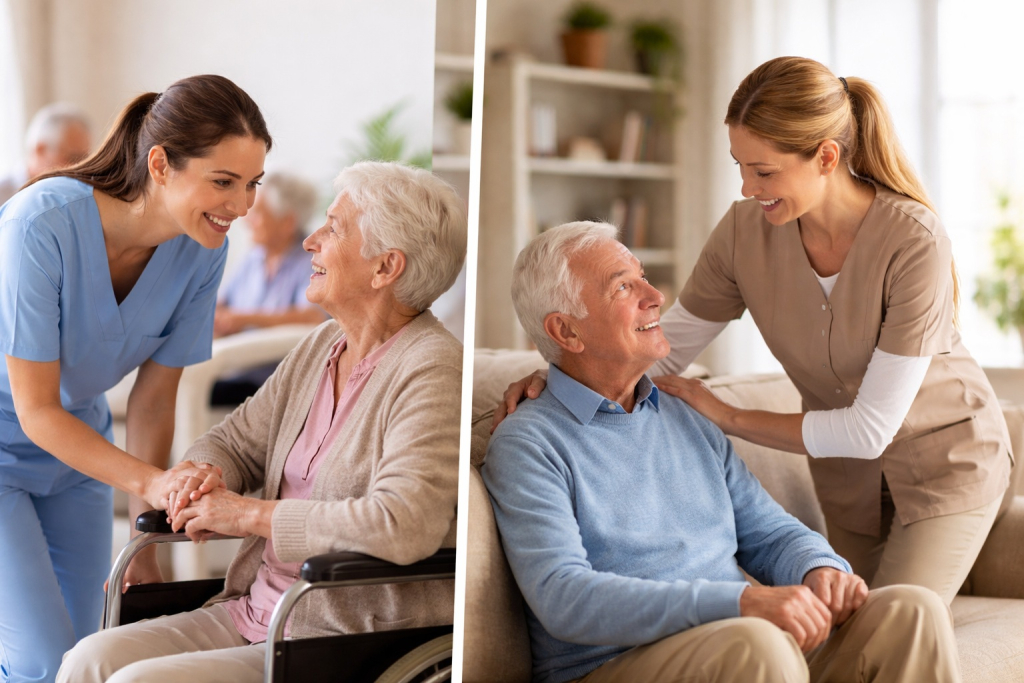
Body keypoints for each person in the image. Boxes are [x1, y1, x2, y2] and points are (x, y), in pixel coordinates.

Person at [494, 56, 1012, 606]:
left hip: (946, 462)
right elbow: (660, 349)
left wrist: (729, 416)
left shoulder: (913, 241)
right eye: (740, 165)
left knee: (896, 619)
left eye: (763, 171)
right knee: (846, 625)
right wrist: (556, 372)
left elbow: (868, 429)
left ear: (826, 158)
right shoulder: (745, 234)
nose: (746, 188)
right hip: (848, 484)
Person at [482, 221, 960, 683]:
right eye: (623, 288)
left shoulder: (684, 414)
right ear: (566, 332)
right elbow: (565, 598)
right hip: (617, 663)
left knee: (911, 611)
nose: (655, 297)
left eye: (643, 278)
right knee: (758, 646)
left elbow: (770, 533)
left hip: (740, 642)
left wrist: (821, 568)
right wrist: (739, 604)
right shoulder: (529, 442)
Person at [58, 161, 466, 683]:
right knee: (87, 660)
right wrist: (200, 473)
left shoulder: (430, 369)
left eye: (334, 228)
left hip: (335, 633)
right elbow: (235, 439)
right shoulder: (322, 346)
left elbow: (403, 523)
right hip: (254, 610)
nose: (310, 241)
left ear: (385, 267)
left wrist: (248, 515)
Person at [0, 74, 271, 683]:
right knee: (40, 658)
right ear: (161, 164)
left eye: (252, 184)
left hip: (78, 456)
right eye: (223, 182)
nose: (243, 205)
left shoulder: (204, 247)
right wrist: (154, 484)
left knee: (85, 649)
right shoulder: (39, 225)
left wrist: (144, 537)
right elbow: (37, 410)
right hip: (7, 444)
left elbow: (153, 398)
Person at [211, 170, 327, 404]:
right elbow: (222, 303)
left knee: (182, 390)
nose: (246, 221)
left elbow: (312, 316)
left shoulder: (312, 262)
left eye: (257, 215)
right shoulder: (252, 258)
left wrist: (243, 319)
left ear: (288, 223)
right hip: (233, 368)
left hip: (271, 382)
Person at [0, 102, 92, 205]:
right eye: (73, 158)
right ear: (40, 150)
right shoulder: (2, 194)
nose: (80, 167)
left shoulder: (78, 197)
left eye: (85, 159)